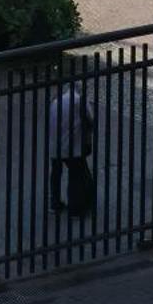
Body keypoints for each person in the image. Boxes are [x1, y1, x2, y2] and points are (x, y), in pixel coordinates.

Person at [48, 71, 96, 217]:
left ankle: (55, 203)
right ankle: (76, 207)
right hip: (71, 145)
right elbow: (90, 119)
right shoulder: (79, 100)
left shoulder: (57, 100)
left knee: (56, 173)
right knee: (78, 174)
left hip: (54, 144)